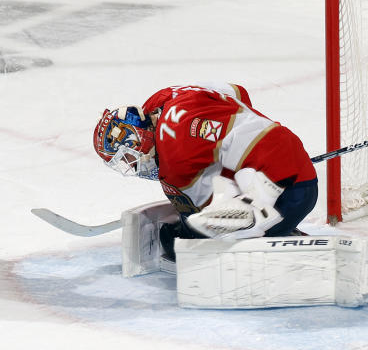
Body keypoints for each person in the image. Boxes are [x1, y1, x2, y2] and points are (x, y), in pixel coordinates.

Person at [93, 83, 318, 256]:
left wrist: (184, 233)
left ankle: (274, 225)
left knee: (190, 241)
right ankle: (273, 213)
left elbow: (197, 222)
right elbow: (237, 92)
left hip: (292, 192)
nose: (133, 165)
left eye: (128, 157)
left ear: (138, 138)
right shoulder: (164, 98)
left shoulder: (173, 160)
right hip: (290, 151)